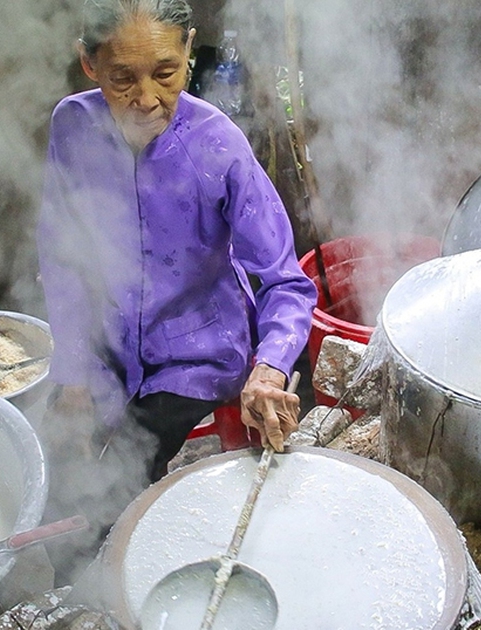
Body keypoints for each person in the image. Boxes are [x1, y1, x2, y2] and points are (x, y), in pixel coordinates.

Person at [35, 0, 317, 582]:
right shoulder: (72, 126)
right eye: (122, 78)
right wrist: (72, 371)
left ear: (189, 50)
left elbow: (286, 281)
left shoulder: (218, 145)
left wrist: (270, 370)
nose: (145, 99)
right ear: (88, 64)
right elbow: (60, 257)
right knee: (53, 482)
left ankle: (122, 592)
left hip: (197, 356)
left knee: (119, 504)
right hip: (109, 347)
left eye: (166, 72)